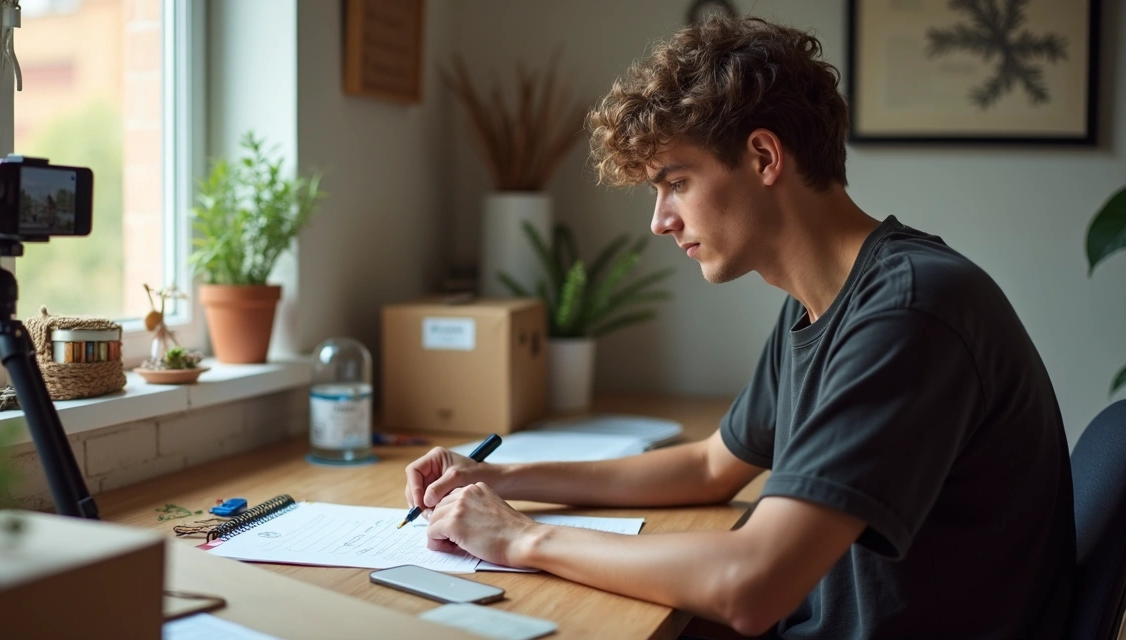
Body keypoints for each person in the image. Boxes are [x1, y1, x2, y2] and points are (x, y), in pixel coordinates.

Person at [404, 15, 1073, 639]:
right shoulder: (822, 300)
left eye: (675, 182)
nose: (660, 221)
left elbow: (750, 585)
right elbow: (709, 466)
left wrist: (521, 539)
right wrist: (503, 478)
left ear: (762, 157)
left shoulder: (909, 313)